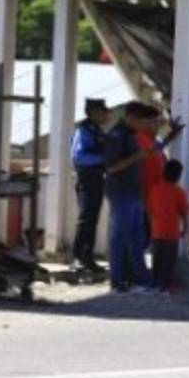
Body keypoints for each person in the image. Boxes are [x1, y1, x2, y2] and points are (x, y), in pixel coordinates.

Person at [104, 102, 155, 292]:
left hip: (134, 191)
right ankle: (116, 282)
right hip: (120, 192)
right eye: (142, 122)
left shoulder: (130, 135)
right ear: (131, 117)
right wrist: (137, 157)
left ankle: (141, 280)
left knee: (137, 238)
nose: (144, 126)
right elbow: (110, 167)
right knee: (119, 238)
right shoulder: (116, 136)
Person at [70, 98, 110, 274]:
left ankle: (87, 258)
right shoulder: (84, 131)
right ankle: (79, 258)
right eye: (102, 111)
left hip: (96, 178)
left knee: (91, 220)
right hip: (87, 179)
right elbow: (79, 157)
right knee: (86, 219)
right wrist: (105, 159)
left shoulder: (96, 130)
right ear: (93, 113)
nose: (106, 114)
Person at [147, 160, 189, 294]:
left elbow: (149, 210)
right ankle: (166, 285)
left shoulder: (154, 189)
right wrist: (186, 228)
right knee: (169, 261)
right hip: (172, 232)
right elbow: (184, 212)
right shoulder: (179, 191)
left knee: (157, 259)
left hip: (156, 231)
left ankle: (155, 283)